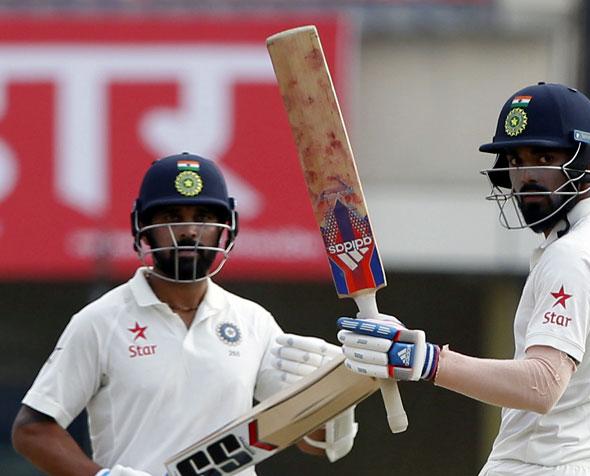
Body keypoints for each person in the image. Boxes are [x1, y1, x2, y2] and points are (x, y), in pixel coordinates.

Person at [336, 83, 590, 475]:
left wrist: (422, 359)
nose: (526, 177)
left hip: (550, 466)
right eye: (517, 161)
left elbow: (542, 384)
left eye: (544, 157)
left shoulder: (573, 256)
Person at [12, 152, 357, 476]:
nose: (190, 231)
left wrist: (348, 383)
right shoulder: (101, 322)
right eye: (171, 218)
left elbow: (314, 442)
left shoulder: (253, 322)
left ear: (226, 228)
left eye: (204, 218)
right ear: (143, 227)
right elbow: (32, 430)